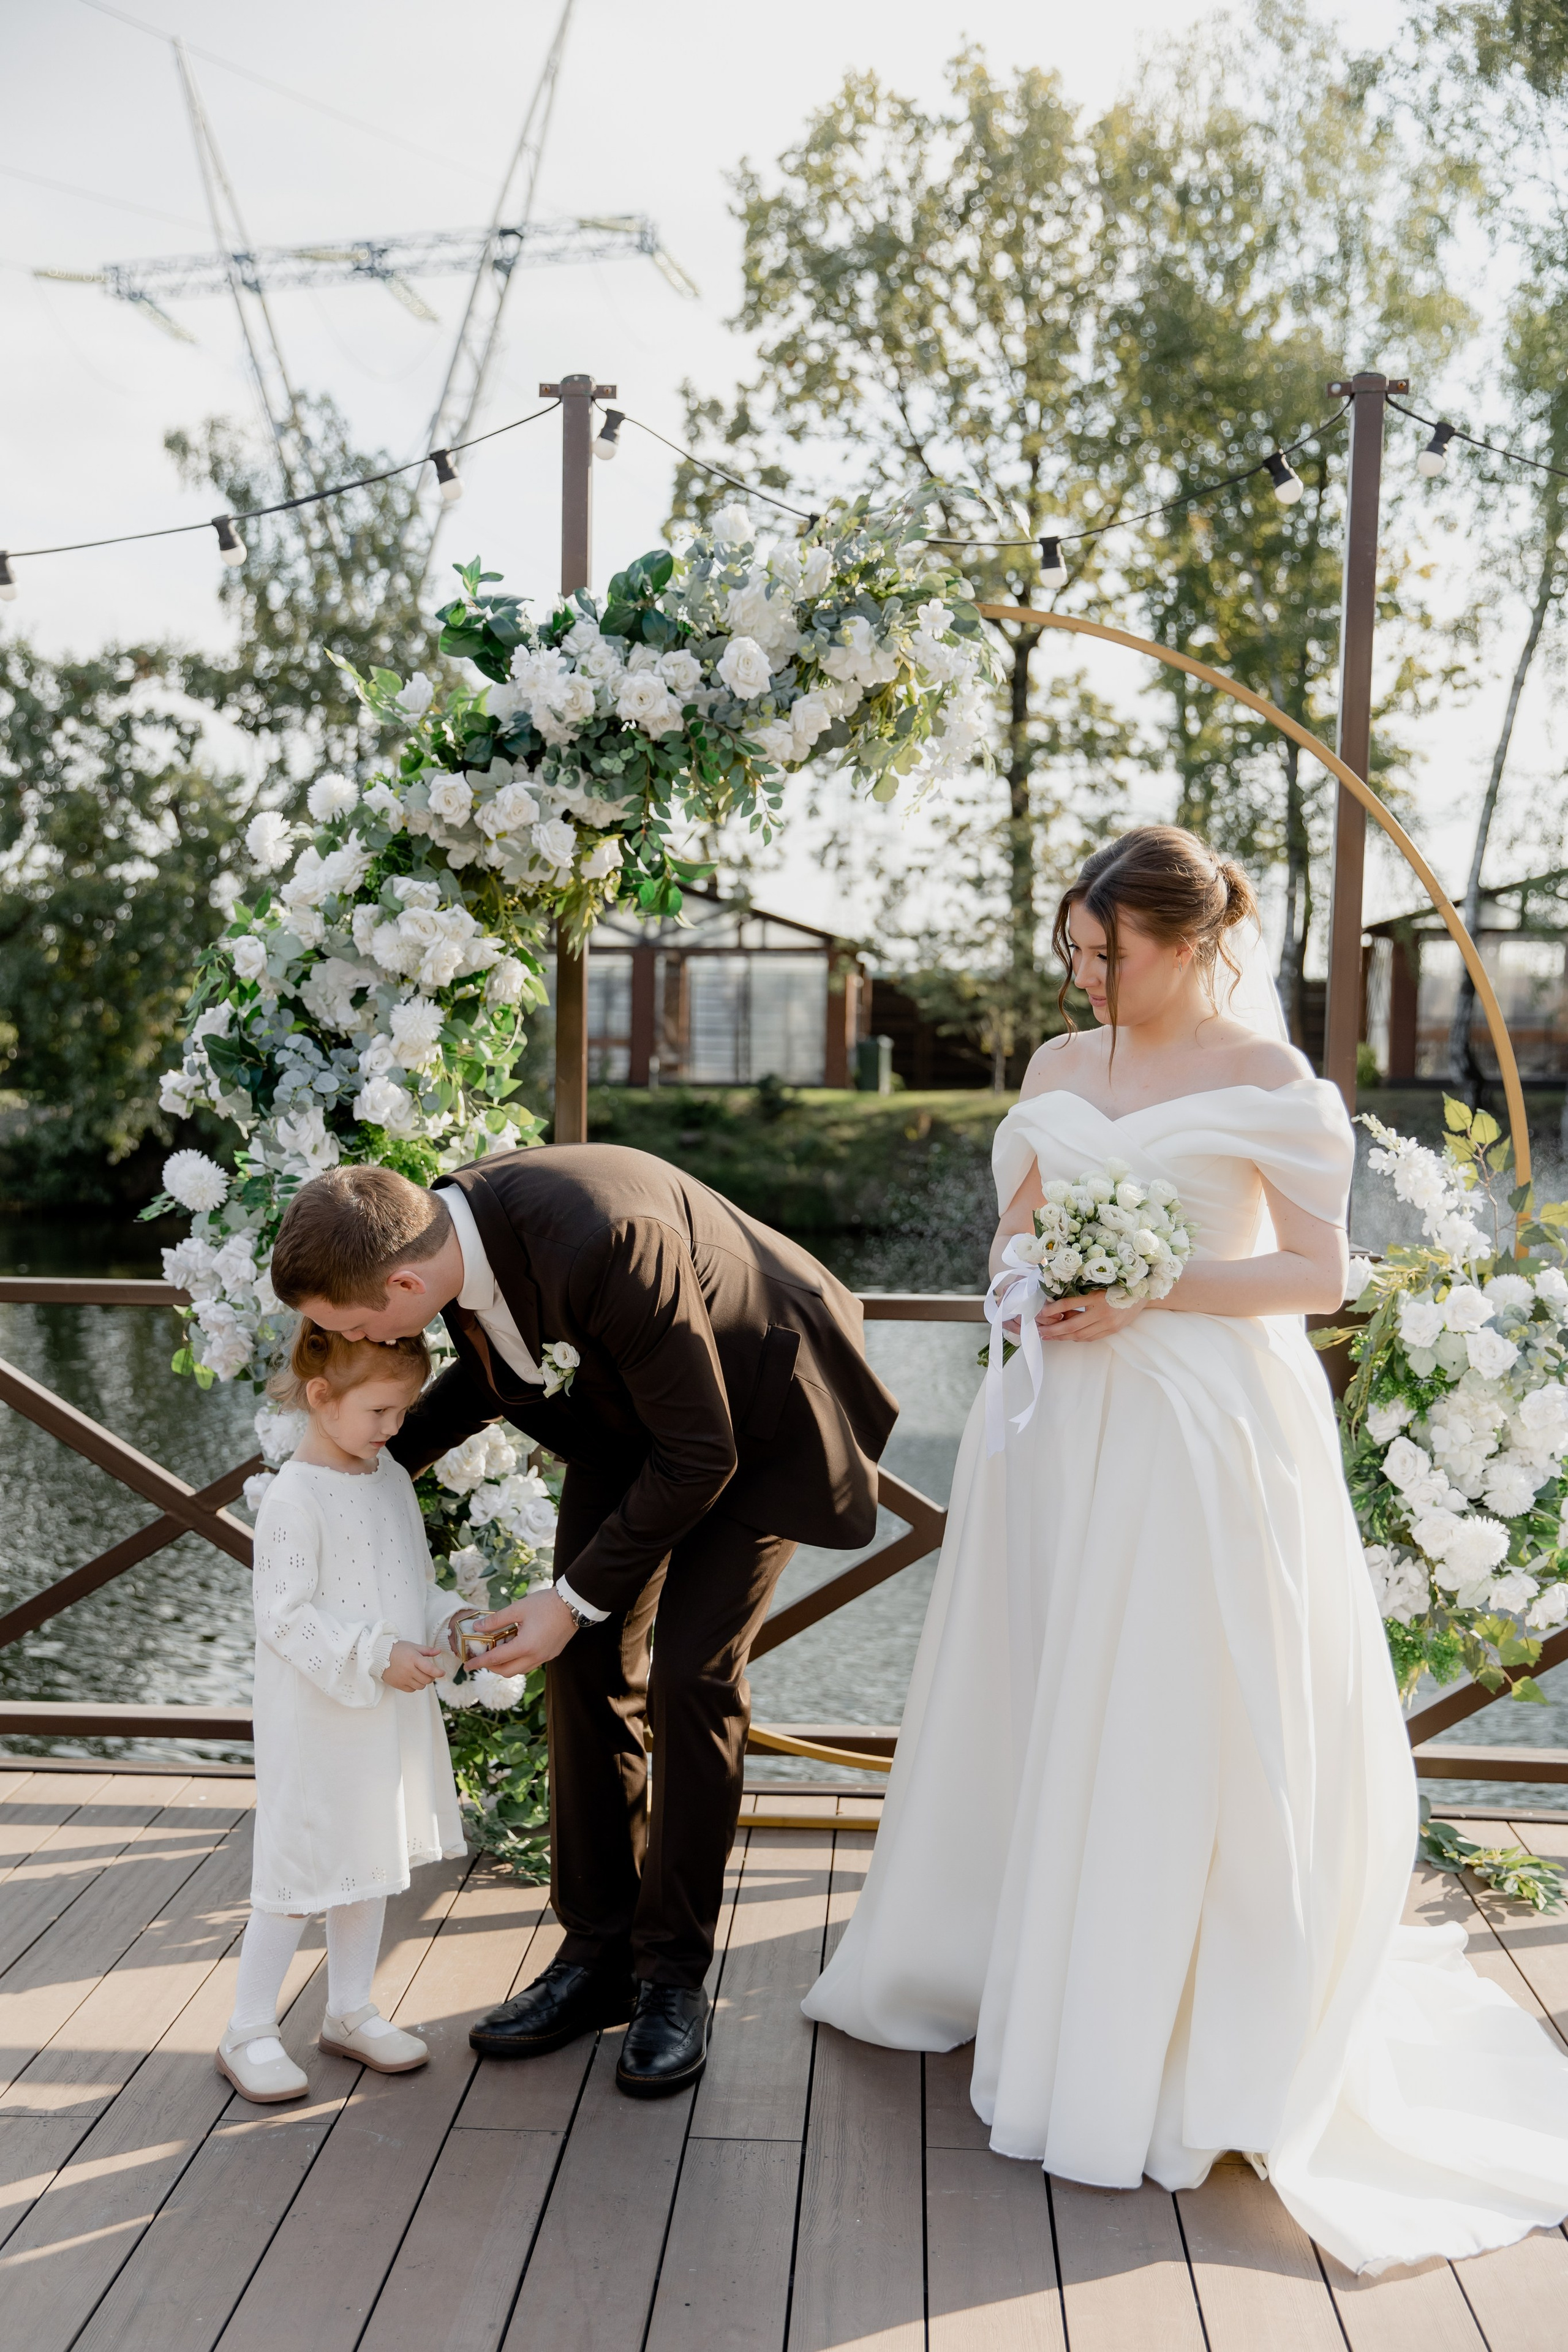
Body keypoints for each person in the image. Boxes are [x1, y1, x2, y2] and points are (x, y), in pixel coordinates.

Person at [804, 824, 1568, 2277]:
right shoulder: (1049, 1070)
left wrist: (1152, 1281)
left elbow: (1313, 1273)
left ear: (1190, 939)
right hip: (1054, 1429)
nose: (1086, 973)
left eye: (1111, 951)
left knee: (1169, 1701)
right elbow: (1008, 1238)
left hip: (1199, 1426)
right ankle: (1017, 1955)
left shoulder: (1275, 1086)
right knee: (1044, 1679)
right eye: (1073, 951)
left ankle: (1167, 2010)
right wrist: (1029, 1283)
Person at [267, 1144, 897, 2099]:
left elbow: (702, 1453)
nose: (351, 1342)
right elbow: (494, 1378)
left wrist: (565, 1602)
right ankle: (595, 1956)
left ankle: (671, 1980)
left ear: (403, 1284)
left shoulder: (605, 1241)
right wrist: (355, 1471)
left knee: (693, 1675)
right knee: (587, 1666)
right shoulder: (448, 1248)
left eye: (348, 1325)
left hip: (755, 1421)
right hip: (629, 1421)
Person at [217, 1321, 468, 2104]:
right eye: (382, 1412)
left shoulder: (386, 1475)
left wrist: (449, 1622)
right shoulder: (294, 1497)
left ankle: (349, 2009)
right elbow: (284, 1617)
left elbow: (409, 1582)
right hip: (319, 1718)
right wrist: (373, 1655)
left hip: (381, 1714)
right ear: (322, 1398)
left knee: (369, 1860)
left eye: (403, 1411)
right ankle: (248, 2029)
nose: (396, 1428)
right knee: (297, 1871)